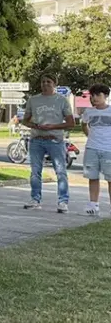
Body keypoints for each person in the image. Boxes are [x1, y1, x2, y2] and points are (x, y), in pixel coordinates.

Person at [21, 75, 74, 213]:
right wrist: (35, 125)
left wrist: (53, 127)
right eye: (43, 81)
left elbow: (70, 123)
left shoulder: (61, 100)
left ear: (55, 84)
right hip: (36, 140)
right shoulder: (33, 100)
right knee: (35, 172)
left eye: (48, 82)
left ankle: (63, 201)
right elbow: (25, 120)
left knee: (61, 171)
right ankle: (35, 199)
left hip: (55, 140)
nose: (45, 84)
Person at [81, 83, 111, 217]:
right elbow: (84, 124)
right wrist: (89, 135)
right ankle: (93, 204)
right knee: (92, 177)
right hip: (92, 148)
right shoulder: (89, 112)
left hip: (108, 149)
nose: (94, 98)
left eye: (98, 95)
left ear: (105, 96)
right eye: (92, 96)